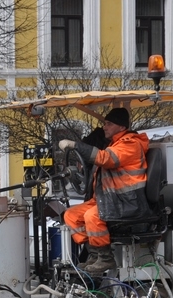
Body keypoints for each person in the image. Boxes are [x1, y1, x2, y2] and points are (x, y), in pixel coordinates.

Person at [58, 107, 150, 276]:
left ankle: (106, 258)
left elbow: (105, 159)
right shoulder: (114, 143)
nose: (104, 127)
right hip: (109, 198)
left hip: (127, 201)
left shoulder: (130, 144)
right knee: (70, 215)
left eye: (109, 123)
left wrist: (75, 145)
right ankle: (95, 253)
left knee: (92, 216)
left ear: (122, 127)